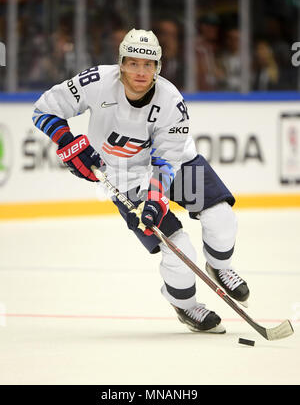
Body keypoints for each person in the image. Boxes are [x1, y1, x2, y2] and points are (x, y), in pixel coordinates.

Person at [32, 28, 249, 334]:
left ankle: (220, 267)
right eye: (133, 63)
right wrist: (66, 140)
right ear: (121, 62)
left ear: (158, 67)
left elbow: (167, 161)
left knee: (222, 218)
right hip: (124, 176)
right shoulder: (96, 82)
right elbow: (43, 108)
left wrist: (157, 200)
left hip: (176, 164)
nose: (141, 71)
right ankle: (186, 306)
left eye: (149, 64)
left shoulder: (171, 101)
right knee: (177, 247)